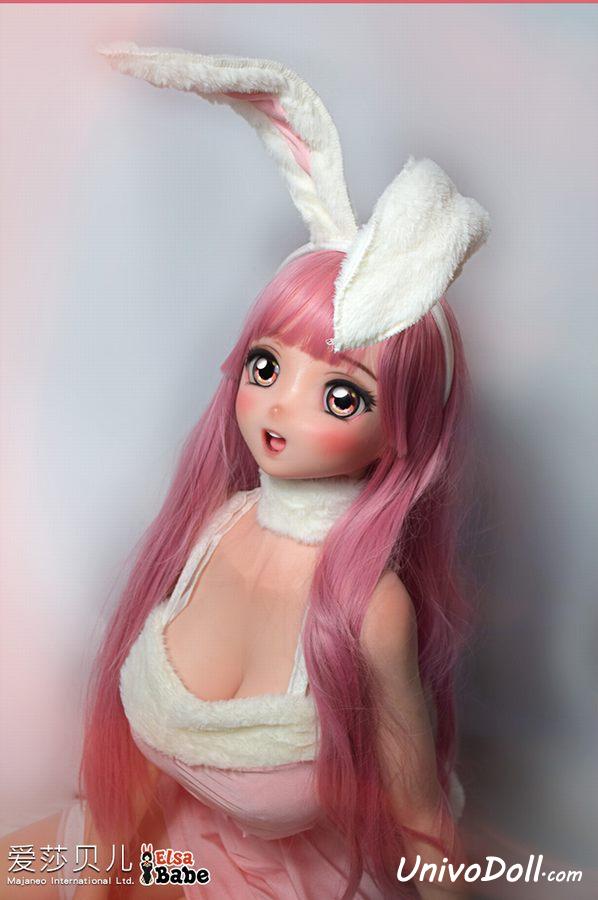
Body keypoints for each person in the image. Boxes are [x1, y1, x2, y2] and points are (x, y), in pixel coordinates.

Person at [0, 43, 491, 900]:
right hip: (172, 850)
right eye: (266, 367)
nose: (279, 408)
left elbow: (420, 821)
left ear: (401, 432)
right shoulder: (211, 528)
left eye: (341, 394)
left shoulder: (370, 610)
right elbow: (141, 775)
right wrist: (104, 872)